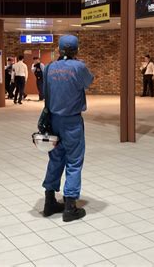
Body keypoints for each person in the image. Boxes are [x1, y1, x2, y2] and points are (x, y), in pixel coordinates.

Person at [42, 35, 94, 222]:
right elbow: (89, 81)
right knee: (74, 161)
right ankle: (70, 206)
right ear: (76, 50)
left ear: (59, 50)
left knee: (55, 159)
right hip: (72, 121)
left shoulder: (49, 68)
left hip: (53, 120)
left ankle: (49, 201)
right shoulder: (79, 67)